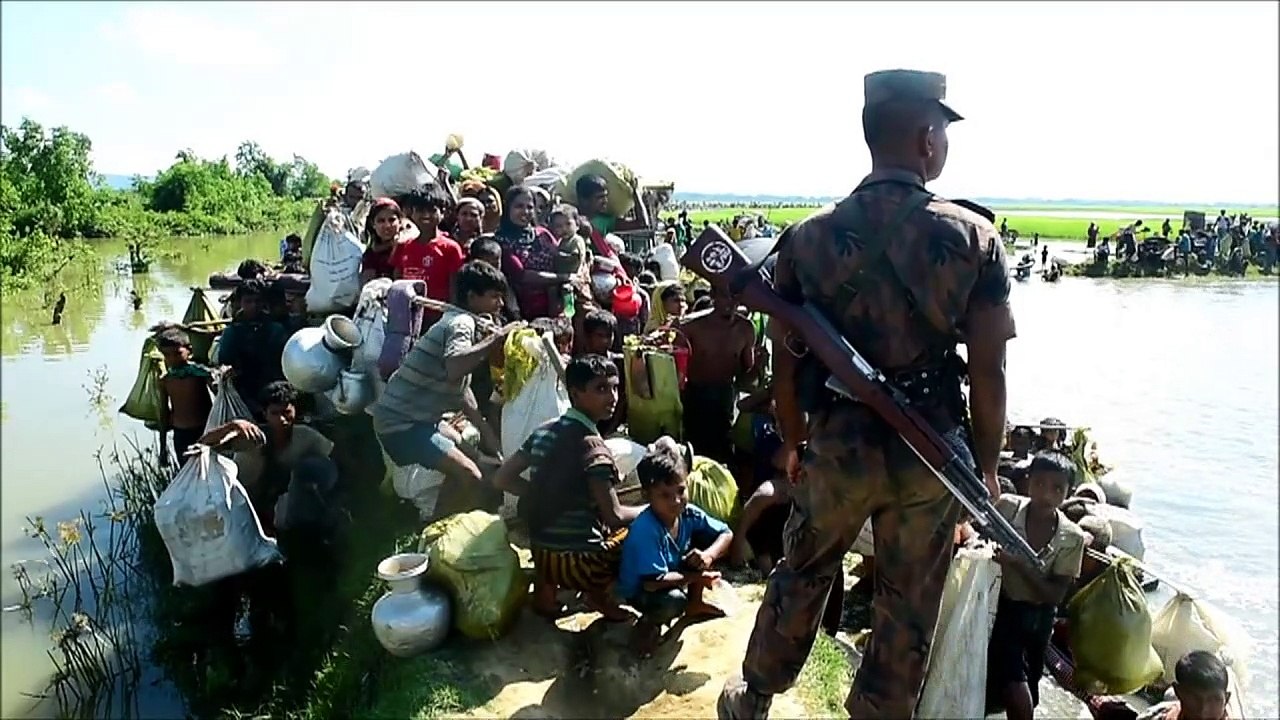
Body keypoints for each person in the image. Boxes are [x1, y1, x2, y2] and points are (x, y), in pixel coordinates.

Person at [718, 69, 1015, 720]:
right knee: (909, 602)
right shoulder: (972, 238)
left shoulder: (809, 236)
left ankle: (756, 694)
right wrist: (986, 470)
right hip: (929, 454)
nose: (942, 142)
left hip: (838, 442)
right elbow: (989, 371)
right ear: (924, 139)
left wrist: (795, 442)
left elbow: (786, 362)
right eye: (941, 128)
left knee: (804, 568)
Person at [493, 354, 642, 620]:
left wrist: (539, 493)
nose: (613, 397)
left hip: (541, 555)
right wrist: (652, 509)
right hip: (582, 566)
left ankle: (546, 596)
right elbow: (615, 516)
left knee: (559, 519)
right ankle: (599, 595)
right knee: (644, 526)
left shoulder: (543, 431)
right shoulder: (595, 449)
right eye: (601, 389)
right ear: (575, 393)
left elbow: (501, 479)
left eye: (615, 387)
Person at [371, 261, 520, 516]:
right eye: (495, 296)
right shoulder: (461, 323)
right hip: (402, 424)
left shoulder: (461, 323)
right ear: (472, 297)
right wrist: (496, 339)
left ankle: (447, 517)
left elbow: (465, 397)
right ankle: (436, 530)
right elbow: (455, 366)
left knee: (472, 458)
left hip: (416, 420)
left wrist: (492, 442)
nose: (501, 304)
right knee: (470, 475)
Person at [986, 452, 1085, 720]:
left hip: (1039, 619)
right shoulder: (1006, 508)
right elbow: (980, 532)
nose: (1046, 494)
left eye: (1057, 488)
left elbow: (1054, 595)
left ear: (1068, 493)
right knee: (1012, 682)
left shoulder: (1071, 537)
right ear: (1028, 482)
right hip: (1004, 608)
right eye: (1039, 484)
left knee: (1028, 687)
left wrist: (1019, 565)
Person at [617, 442, 734, 657]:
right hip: (640, 589)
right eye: (664, 495)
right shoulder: (646, 529)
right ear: (646, 496)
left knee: (703, 546)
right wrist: (696, 577)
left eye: (681, 490)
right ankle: (645, 627)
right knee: (673, 600)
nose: (676, 500)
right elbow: (652, 583)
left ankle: (695, 604)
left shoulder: (688, 513)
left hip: (669, 569)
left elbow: (726, 533)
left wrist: (708, 556)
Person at [197, 381, 339, 539]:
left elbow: (333, 459)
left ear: (295, 410)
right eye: (275, 413)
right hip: (244, 507)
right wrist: (232, 427)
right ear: (265, 414)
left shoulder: (306, 436)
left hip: (282, 506)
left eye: (286, 412)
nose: (282, 419)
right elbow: (204, 444)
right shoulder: (252, 438)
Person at [679, 287, 755, 464]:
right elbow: (677, 368)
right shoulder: (691, 327)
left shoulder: (745, 329)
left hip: (725, 395)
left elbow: (747, 371)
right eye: (724, 296)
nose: (730, 303)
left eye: (735, 297)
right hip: (695, 395)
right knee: (695, 450)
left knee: (723, 450)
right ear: (713, 295)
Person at [392, 187, 466, 326]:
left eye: (432, 210)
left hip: (438, 319)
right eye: (420, 210)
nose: (426, 215)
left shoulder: (450, 248)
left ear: (442, 213)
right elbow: (397, 283)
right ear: (411, 213)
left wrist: (449, 319)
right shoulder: (403, 246)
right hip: (408, 318)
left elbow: (455, 289)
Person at [216, 279, 288, 419]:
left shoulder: (276, 329)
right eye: (248, 301)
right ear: (240, 303)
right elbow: (224, 361)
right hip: (245, 393)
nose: (254, 306)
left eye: (257, 301)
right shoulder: (232, 332)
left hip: (274, 390)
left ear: (264, 302)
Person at [495, 186, 566, 320]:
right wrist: (564, 277)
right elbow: (522, 275)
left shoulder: (543, 234)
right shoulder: (502, 241)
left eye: (529, 207)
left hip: (553, 308)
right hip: (520, 313)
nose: (525, 211)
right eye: (519, 206)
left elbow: (559, 259)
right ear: (507, 207)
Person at [155, 327, 214, 465]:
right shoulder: (165, 380)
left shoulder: (201, 373)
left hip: (205, 430)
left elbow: (219, 396)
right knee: (187, 474)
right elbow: (163, 413)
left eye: (177, 353)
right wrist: (163, 448)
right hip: (181, 434)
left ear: (190, 351)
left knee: (209, 472)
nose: (172, 359)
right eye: (167, 355)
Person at [360, 197, 406, 284]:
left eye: (392, 220)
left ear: (400, 222)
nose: (387, 225)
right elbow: (369, 285)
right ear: (373, 224)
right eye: (381, 221)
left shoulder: (410, 247)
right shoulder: (371, 254)